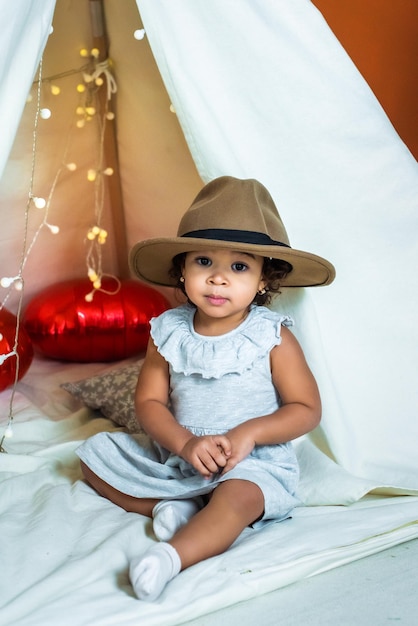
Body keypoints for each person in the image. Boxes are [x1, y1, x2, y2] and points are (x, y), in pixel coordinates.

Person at [76, 176, 335, 601]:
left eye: (238, 267)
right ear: (181, 269)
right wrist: (184, 444)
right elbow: (150, 401)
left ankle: (170, 556)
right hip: (181, 457)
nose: (218, 279)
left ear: (264, 281)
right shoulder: (167, 331)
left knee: (237, 500)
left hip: (250, 464)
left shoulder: (272, 336)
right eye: (203, 263)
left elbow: (306, 408)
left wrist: (248, 434)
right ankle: (173, 506)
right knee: (94, 457)